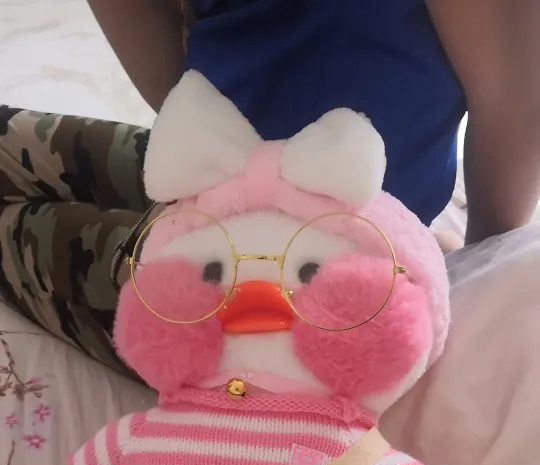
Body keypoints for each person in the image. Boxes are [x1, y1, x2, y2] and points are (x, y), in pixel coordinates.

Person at [0, 0, 539, 370]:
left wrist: (476, 261)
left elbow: (516, 98)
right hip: (220, 174)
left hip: (288, 261)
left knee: (10, 228)